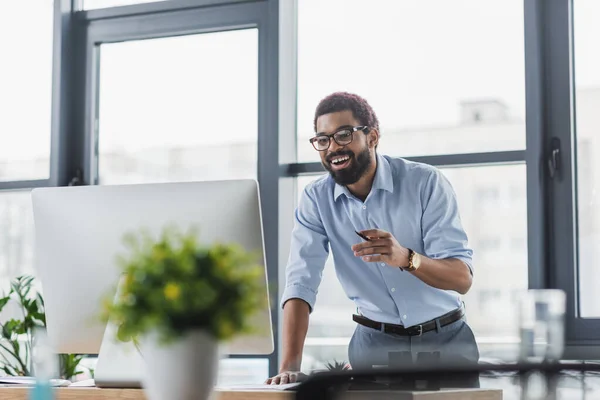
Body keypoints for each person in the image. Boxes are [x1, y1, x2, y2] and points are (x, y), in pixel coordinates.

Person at [266, 92, 479, 385]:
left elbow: (462, 279)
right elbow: (301, 282)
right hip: (373, 346)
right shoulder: (315, 199)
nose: (332, 148)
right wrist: (289, 366)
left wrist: (406, 258)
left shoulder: (425, 183)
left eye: (343, 135)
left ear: (373, 137)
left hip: (447, 343)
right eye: (323, 140)